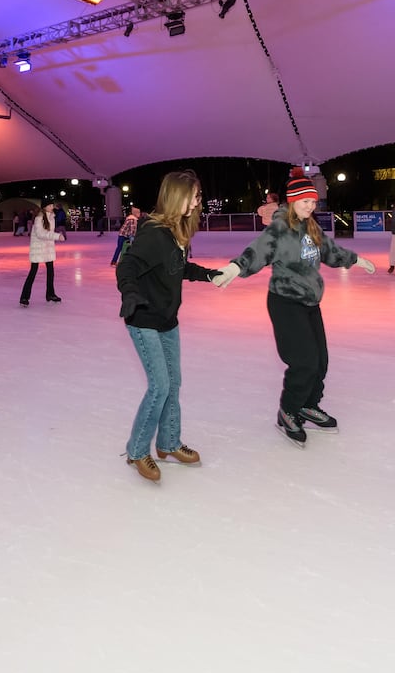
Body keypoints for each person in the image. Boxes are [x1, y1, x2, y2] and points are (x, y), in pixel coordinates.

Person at [216, 175, 376, 446]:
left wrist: (356, 259)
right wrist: (235, 267)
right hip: (285, 302)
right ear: (292, 201)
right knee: (304, 362)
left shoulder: (311, 226)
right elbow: (258, 251)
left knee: (320, 361)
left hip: (311, 302)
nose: (310, 206)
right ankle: (288, 411)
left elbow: (330, 251)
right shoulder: (279, 227)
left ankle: (307, 405)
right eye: (305, 201)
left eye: (313, 201)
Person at [115, 171, 227, 482]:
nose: (197, 200)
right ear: (178, 196)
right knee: (160, 386)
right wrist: (130, 292)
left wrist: (209, 275)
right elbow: (128, 264)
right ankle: (138, 450)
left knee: (173, 383)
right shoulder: (154, 233)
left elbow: (178, 268)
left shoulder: (175, 231)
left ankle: (167, 443)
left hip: (167, 319)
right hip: (144, 319)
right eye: (194, 194)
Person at [20, 203, 62, 306]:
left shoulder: (51, 217)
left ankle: (50, 294)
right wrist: (57, 236)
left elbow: (47, 233)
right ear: (45, 207)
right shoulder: (39, 218)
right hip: (38, 248)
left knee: (51, 271)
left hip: (47, 248)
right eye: (50, 205)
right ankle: (24, 297)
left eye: (53, 205)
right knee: (33, 272)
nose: (52, 207)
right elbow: (40, 234)